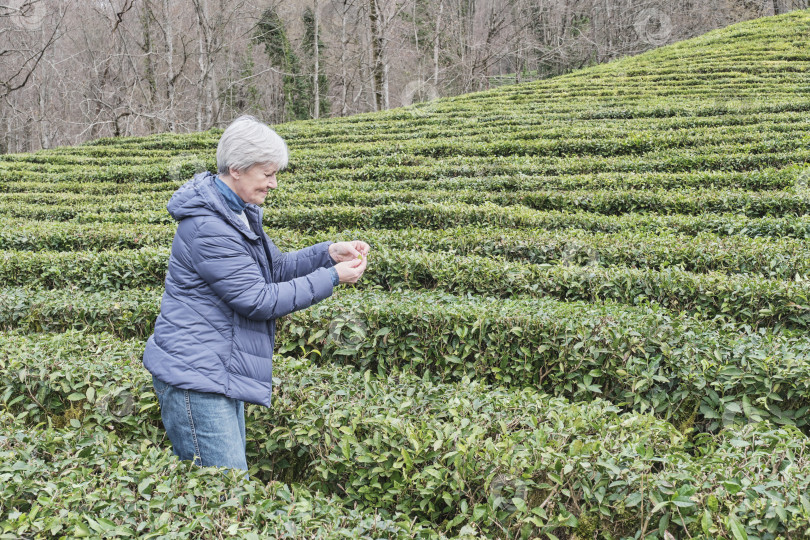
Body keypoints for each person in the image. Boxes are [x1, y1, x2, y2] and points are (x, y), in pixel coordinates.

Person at [143, 115, 369, 477]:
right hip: (197, 377)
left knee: (230, 489)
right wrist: (332, 278)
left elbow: (274, 269)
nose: (274, 184)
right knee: (224, 493)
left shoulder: (237, 213)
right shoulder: (208, 226)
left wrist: (328, 253)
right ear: (236, 168)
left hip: (216, 371)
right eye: (267, 174)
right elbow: (258, 298)